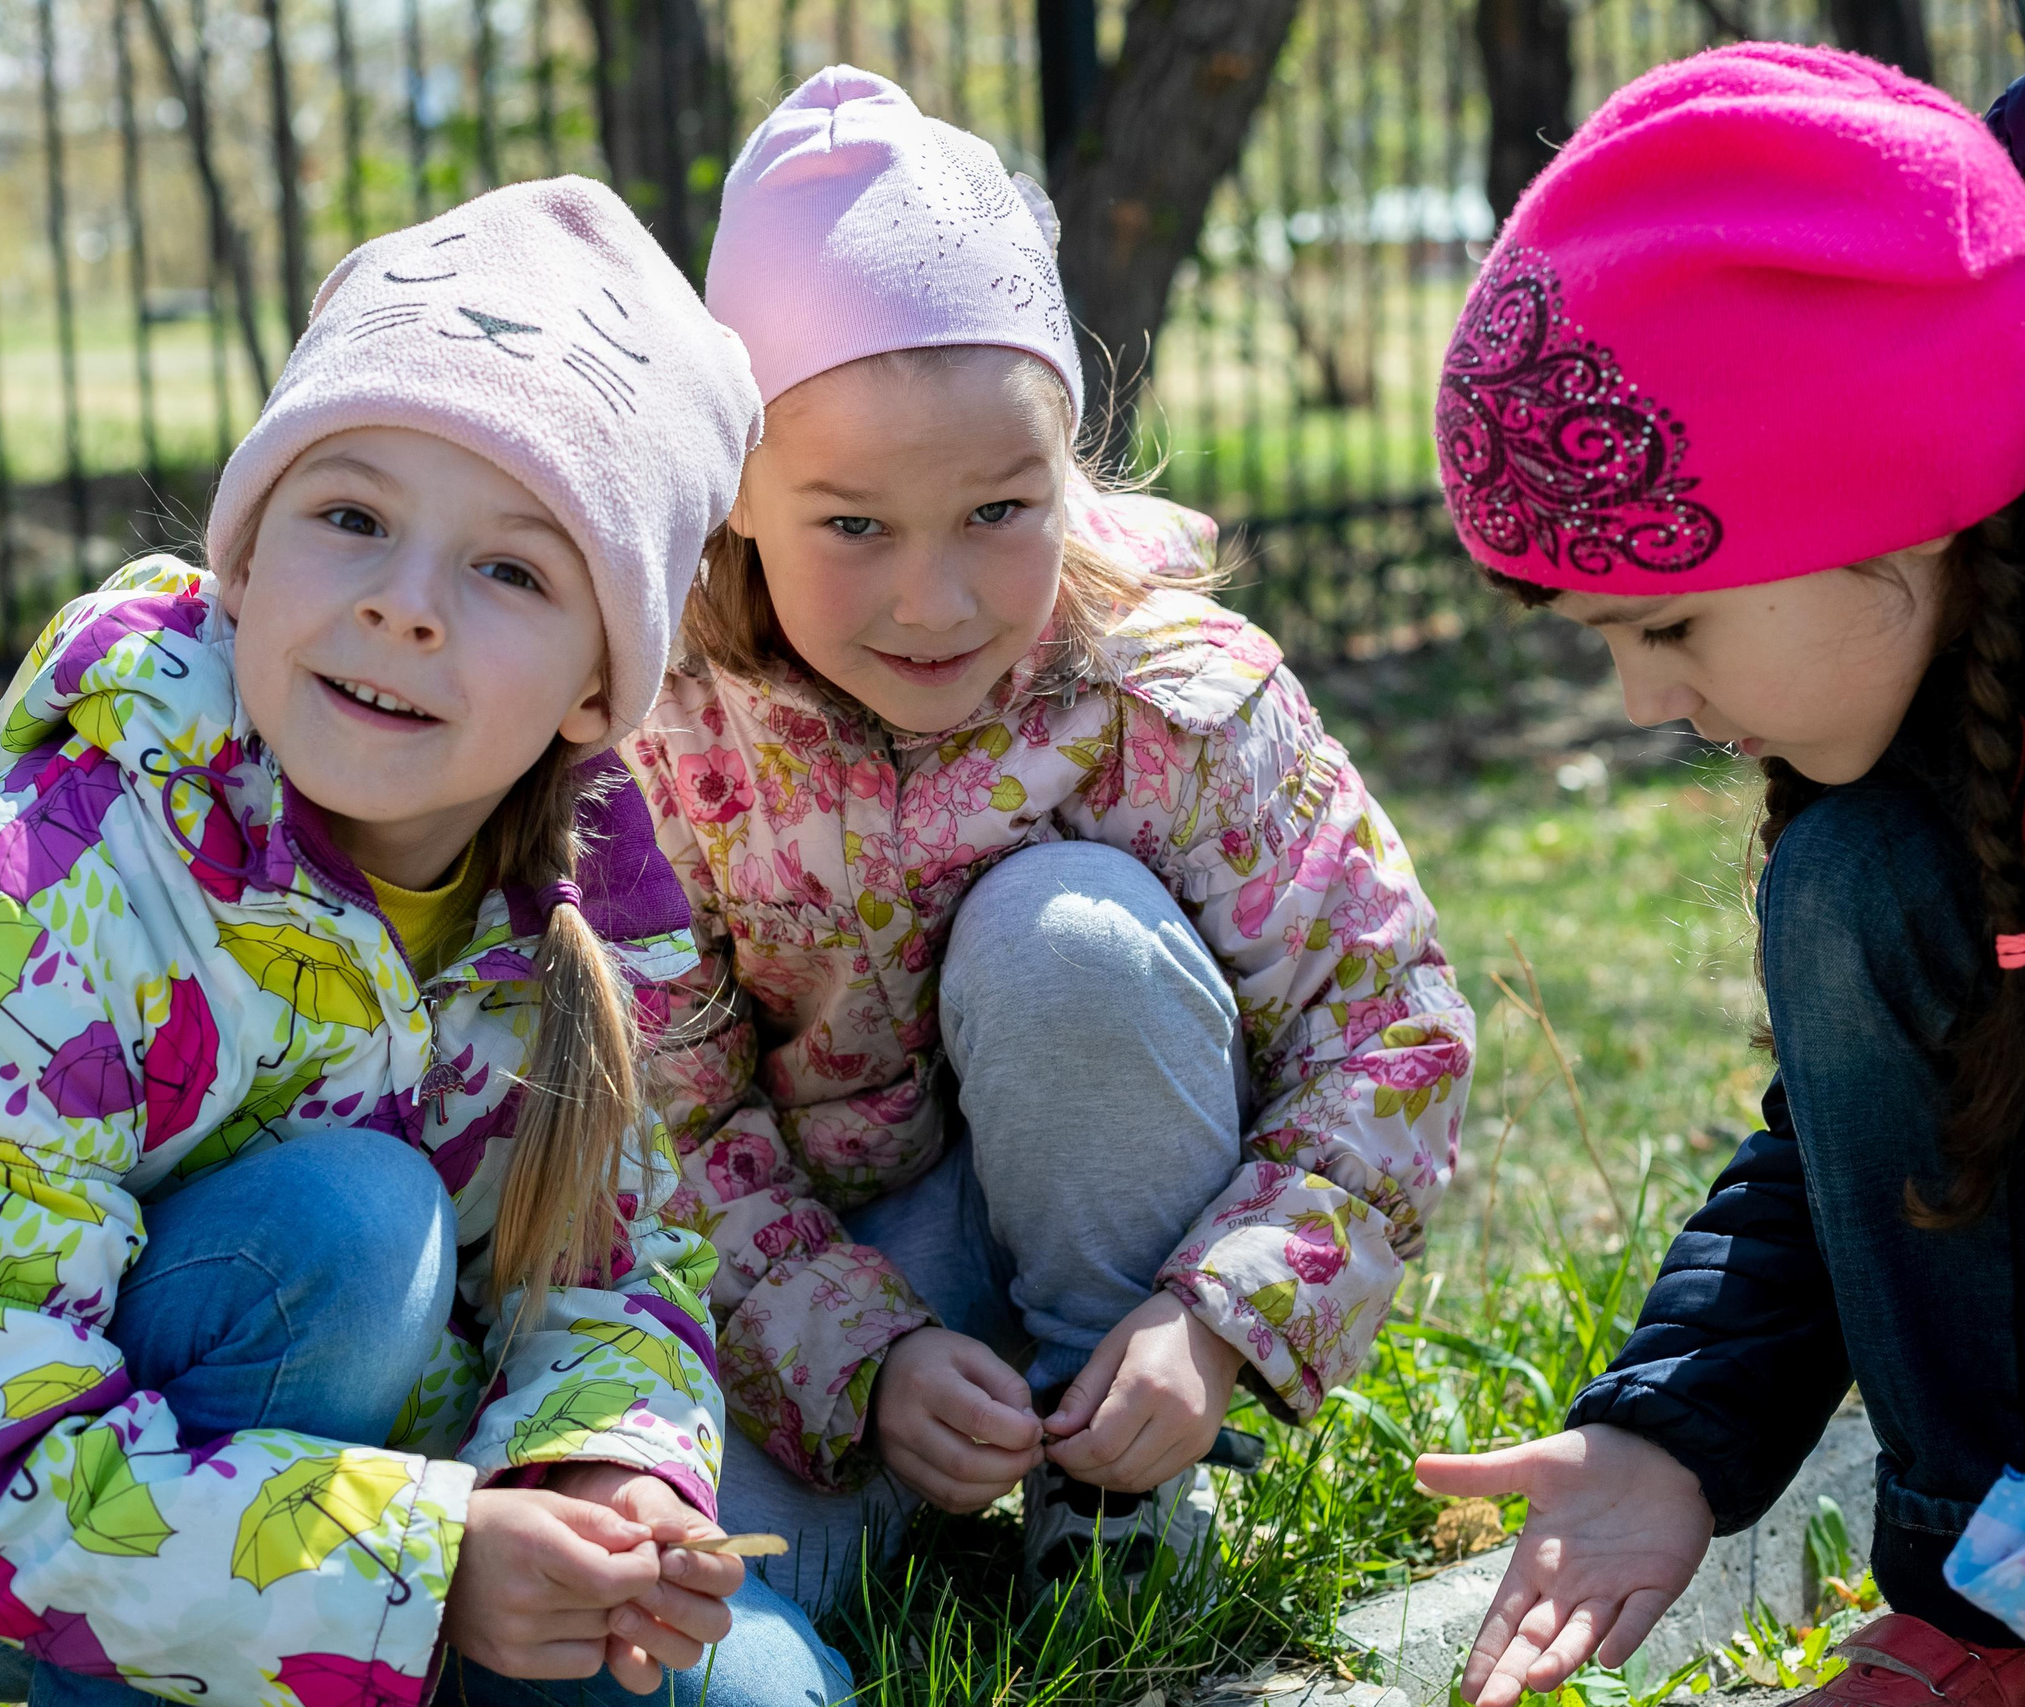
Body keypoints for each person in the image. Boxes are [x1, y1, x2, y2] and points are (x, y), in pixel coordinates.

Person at [0, 178, 850, 1707]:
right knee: (356, 1228)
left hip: (397, 1512)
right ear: (247, 559)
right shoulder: (38, 898)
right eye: (352, 518)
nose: (405, 607)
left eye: (512, 568)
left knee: (771, 1697)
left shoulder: (591, 928)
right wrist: (433, 1564)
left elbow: (611, 1273)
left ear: (603, 689)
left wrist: (606, 1476)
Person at [1407, 43, 2025, 1707]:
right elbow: (1871, 1130)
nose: (1648, 702)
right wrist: (1668, 1429)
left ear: (1900, 499)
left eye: (1668, 625)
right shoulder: (1930, 684)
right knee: (1855, 891)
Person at [622, 66, 1476, 1617]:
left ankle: (1114, 1501)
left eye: (1000, 510)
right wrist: (856, 1352)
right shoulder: (670, 740)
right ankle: (914, 1472)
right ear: (739, 491)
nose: (935, 601)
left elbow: (1393, 1029)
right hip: (839, 1291)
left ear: (1067, 457)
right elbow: (660, 1120)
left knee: (1067, 929)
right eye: (854, 524)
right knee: (715, 1599)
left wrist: (1214, 1322)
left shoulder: (1166, 694)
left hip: (1134, 1269)